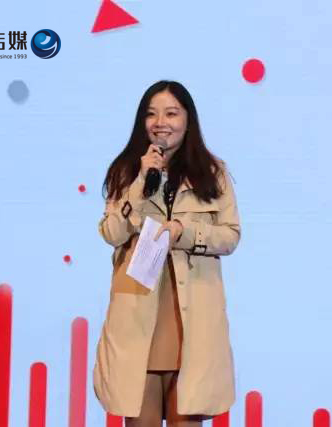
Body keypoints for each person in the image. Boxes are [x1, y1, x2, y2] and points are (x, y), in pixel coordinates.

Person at [93, 80, 240, 427]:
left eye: (171, 113)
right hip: (137, 316)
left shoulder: (213, 172)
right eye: (152, 114)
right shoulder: (126, 170)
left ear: (188, 120)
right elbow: (112, 233)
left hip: (193, 318)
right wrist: (141, 182)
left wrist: (184, 232)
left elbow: (230, 236)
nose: (161, 123)